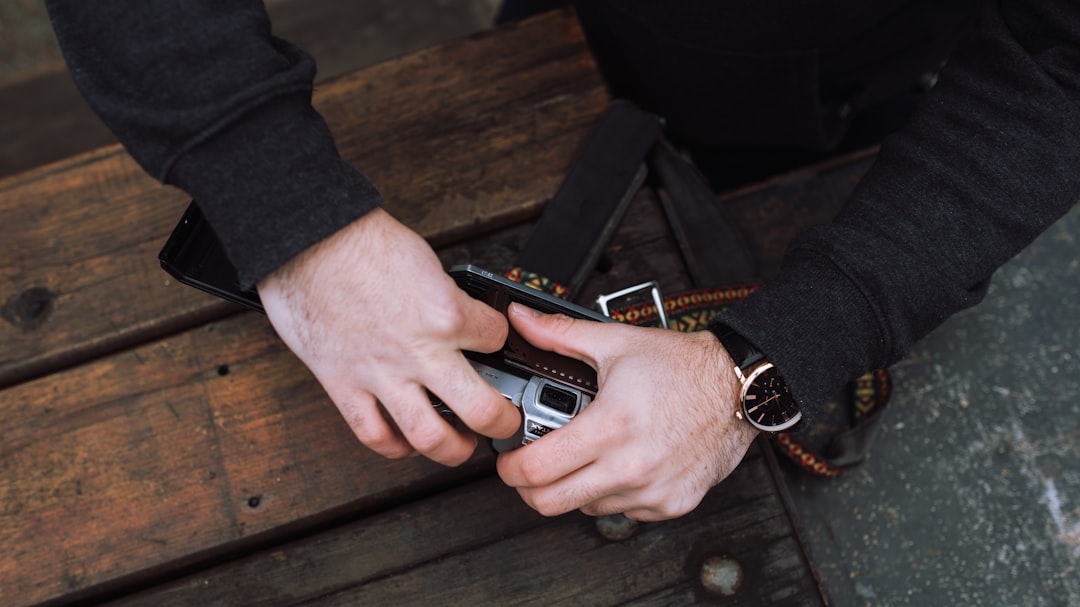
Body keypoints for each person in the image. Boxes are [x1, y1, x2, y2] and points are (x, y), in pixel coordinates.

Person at [44, 1, 1080, 522]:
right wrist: (294, 221)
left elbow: (1062, 57)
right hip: (587, 35)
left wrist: (760, 367)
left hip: (862, 82)